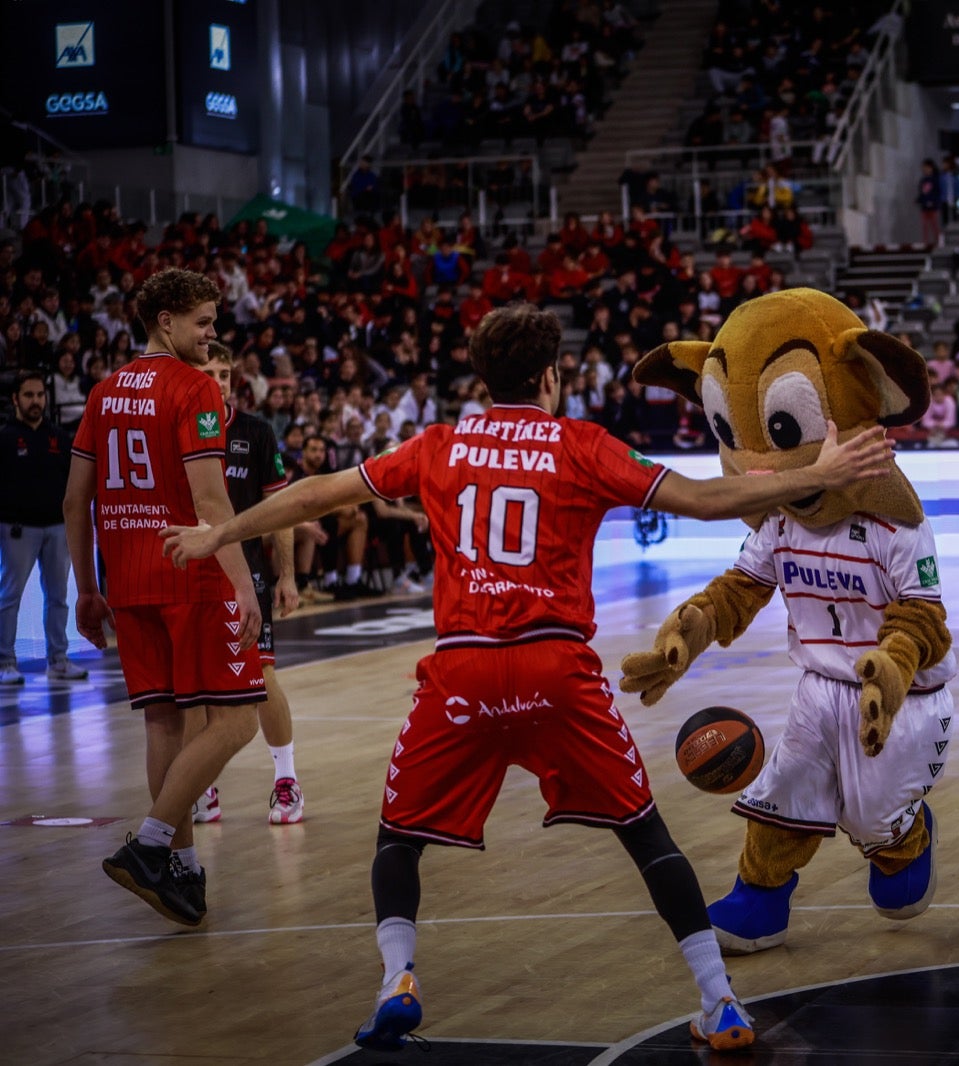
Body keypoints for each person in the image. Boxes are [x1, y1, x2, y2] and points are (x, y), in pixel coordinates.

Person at [160, 305, 895, 1052]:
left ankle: (398, 980)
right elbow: (707, 501)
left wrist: (218, 533)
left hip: (462, 670)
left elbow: (320, 492)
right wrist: (819, 471)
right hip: (555, 669)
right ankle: (721, 1000)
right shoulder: (580, 444)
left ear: (484, 378)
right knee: (646, 838)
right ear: (550, 376)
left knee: (398, 839)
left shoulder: (439, 444)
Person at [64, 269, 265, 927]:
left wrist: (87, 590)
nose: (213, 335)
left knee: (163, 723)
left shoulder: (104, 391)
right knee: (237, 720)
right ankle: (150, 845)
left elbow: (75, 500)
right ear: (166, 322)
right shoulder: (196, 387)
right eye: (203, 322)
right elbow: (211, 502)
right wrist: (243, 584)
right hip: (190, 577)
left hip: (127, 580)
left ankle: (183, 869)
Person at [187, 343, 305, 826]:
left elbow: (282, 510)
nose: (219, 380)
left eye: (225, 372)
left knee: (262, 676)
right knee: (195, 686)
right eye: (209, 372)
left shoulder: (255, 433)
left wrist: (288, 574)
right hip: (192, 574)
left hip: (246, 576)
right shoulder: (177, 430)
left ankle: (287, 780)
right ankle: (203, 786)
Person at [0, 371, 85, 684]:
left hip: (56, 529)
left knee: (59, 597)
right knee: (10, 597)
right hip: (17, 530)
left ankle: (59, 659)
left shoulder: (58, 438)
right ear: (15, 399)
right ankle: (5, 662)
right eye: (28, 395)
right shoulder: (6, 438)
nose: (35, 401)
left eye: (39, 395)